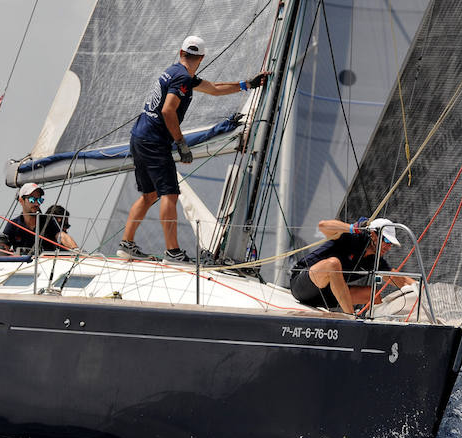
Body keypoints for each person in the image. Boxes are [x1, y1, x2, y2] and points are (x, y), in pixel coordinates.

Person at [117, 35, 269, 263]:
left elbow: (215, 88)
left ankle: (126, 244)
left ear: (181, 53)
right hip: (155, 142)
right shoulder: (182, 79)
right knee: (170, 193)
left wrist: (247, 84)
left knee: (149, 195)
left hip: (139, 137)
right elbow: (168, 111)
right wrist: (181, 143)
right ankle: (172, 252)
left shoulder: (175, 72)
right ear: (202, 57)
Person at [290, 218, 416, 314]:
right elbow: (323, 226)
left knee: (373, 294)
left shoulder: (374, 260)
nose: (388, 246)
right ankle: (351, 318)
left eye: (391, 244)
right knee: (333, 264)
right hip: (301, 287)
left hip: (326, 296)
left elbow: (401, 280)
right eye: (386, 241)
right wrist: (354, 228)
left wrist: (422, 290)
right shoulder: (351, 238)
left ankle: (374, 328)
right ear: (373, 234)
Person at [0, 183, 46, 253]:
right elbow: (1, 250)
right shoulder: (13, 225)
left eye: (39, 200)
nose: (36, 204)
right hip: (22, 263)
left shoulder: (49, 221)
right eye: (32, 199)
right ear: (21, 201)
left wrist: (68, 246)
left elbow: (62, 236)